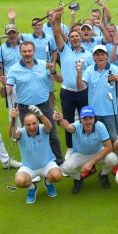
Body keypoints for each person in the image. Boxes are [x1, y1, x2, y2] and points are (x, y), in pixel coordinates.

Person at [4, 40, 64, 164]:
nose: (27, 54)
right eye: (24, 51)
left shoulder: (44, 64)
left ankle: (59, 162)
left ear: (34, 51)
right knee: (29, 137)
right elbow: (8, 90)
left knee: (52, 134)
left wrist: (53, 71)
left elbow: (59, 80)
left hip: (44, 105)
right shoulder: (14, 69)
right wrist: (4, 86)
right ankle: (32, 164)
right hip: (25, 108)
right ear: (20, 52)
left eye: (29, 51)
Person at [51, 8, 92, 152]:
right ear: (69, 38)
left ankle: (85, 144)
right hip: (67, 92)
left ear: (81, 37)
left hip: (83, 92)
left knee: (85, 119)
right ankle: (70, 147)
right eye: (72, 36)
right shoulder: (64, 49)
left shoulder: (89, 54)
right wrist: (58, 17)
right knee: (67, 119)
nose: (75, 38)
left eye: (77, 36)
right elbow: (56, 33)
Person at [54, 107, 117, 194]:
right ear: (80, 119)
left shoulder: (100, 126)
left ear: (94, 118)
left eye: (90, 118)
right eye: (85, 119)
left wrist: (91, 163)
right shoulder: (76, 126)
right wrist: (60, 120)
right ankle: (78, 179)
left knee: (113, 159)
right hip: (80, 155)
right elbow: (67, 126)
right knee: (65, 168)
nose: (88, 121)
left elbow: (109, 147)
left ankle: (103, 175)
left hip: (97, 152)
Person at [9, 106, 63, 204]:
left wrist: (40, 114)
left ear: (38, 122)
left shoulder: (43, 128)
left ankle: (48, 183)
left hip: (47, 164)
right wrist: (13, 119)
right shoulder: (21, 132)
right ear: (24, 125)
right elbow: (12, 134)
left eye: (34, 123)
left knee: (57, 176)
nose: (32, 127)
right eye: (28, 125)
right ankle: (32, 188)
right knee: (19, 181)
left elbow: (50, 127)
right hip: (29, 168)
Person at [76, 45, 118, 144]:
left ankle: (116, 157)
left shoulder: (114, 69)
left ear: (107, 56)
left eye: (102, 54)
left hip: (111, 111)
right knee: (97, 138)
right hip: (94, 112)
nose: (100, 57)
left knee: (114, 137)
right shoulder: (89, 70)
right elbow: (80, 87)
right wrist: (79, 73)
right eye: (97, 55)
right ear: (94, 57)